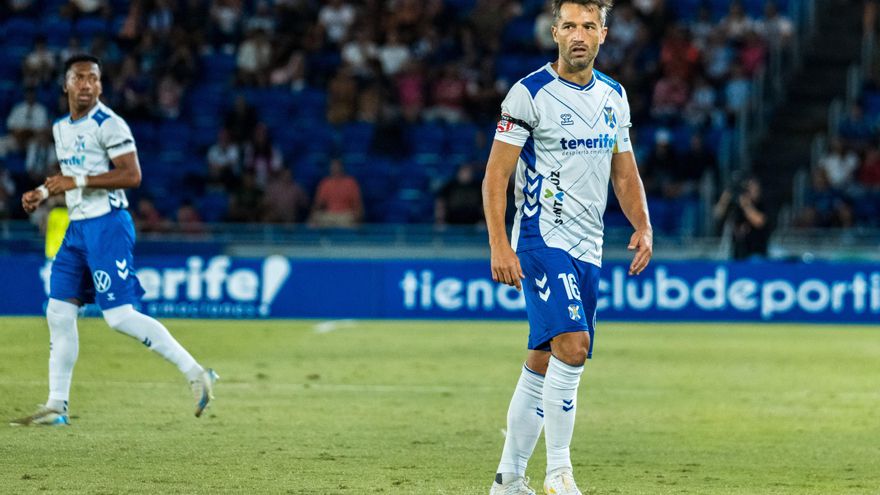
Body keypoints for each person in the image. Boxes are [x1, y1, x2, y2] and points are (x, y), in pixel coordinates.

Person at [482, 2, 652, 494]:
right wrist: (500, 244)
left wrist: (643, 225)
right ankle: (559, 474)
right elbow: (496, 177)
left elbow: (625, 172)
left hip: (588, 245)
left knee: (543, 359)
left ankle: (508, 480)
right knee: (574, 347)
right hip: (541, 238)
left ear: (603, 34)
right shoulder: (530, 93)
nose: (579, 34)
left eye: (589, 26)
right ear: (555, 32)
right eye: (570, 25)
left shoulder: (614, 95)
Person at [12, 55, 217, 427]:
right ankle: (56, 406)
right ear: (66, 85)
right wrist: (43, 192)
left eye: (93, 78)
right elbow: (73, 175)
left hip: (107, 225)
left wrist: (76, 182)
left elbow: (132, 175)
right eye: (79, 78)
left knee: (119, 317)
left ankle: (196, 373)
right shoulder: (60, 128)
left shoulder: (109, 123)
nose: (86, 84)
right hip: (77, 228)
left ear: (101, 86)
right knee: (58, 312)